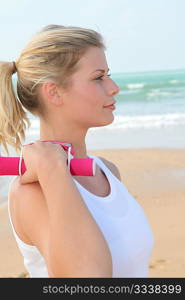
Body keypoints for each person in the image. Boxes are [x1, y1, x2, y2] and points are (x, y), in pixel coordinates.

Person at [0, 24, 154, 278]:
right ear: (54, 92)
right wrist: (52, 169)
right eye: (98, 77)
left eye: (108, 75)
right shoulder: (30, 193)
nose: (114, 87)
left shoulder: (107, 171)